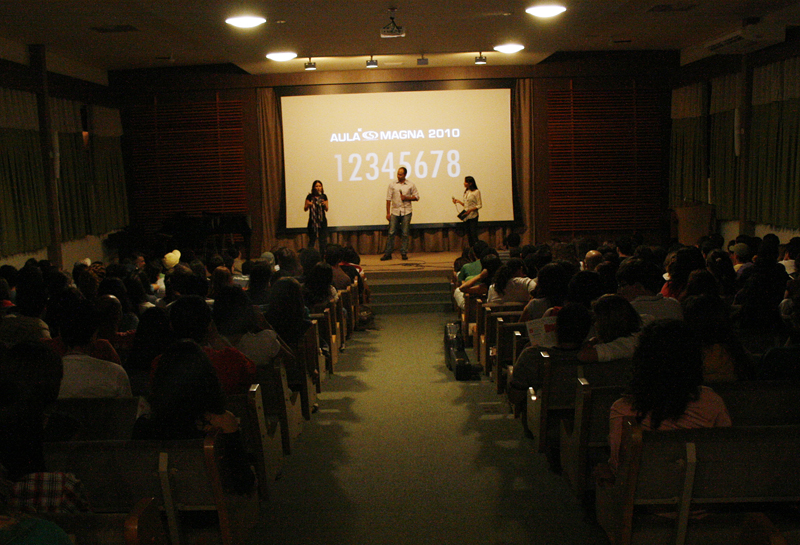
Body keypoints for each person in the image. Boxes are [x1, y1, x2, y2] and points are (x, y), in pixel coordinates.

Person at [606, 320, 731, 474]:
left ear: (641, 360)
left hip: (644, 490)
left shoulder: (623, 409)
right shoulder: (711, 401)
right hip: (702, 486)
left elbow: (619, 465)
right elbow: (726, 451)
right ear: (693, 360)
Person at [381, 167, 419, 261]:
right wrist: (387, 213)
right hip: (395, 211)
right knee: (391, 232)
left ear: (405, 175)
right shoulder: (392, 185)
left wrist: (406, 198)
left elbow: (417, 197)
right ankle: (388, 253)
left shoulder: (410, 185)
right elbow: (388, 199)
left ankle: (403, 252)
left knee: (405, 233)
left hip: (407, 212)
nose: (398, 176)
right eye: (398, 174)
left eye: (401, 174)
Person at [452, 176, 482, 247]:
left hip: (473, 216)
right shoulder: (466, 191)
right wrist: (458, 201)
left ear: (470, 183)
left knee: (473, 234)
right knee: (469, 235)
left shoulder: (476, 192)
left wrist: (470, 210)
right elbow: (466, 205)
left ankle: (477, 249)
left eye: (465, 182)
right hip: (466, 216)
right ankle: (471, 250)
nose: (464, 183)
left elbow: (479, 205)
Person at [304, 180, 329, 254]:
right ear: (313, 187)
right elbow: (305, 208)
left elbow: (327, 209)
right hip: (313, 220)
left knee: (323, 240)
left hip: (322, 220)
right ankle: (309, 256)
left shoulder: (324, 196)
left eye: (320, 186)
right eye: (316, 186)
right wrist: (309, 204)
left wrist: (324, 204)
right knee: (312, 239)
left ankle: (322, 256)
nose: (318, 188)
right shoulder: (310, 196)